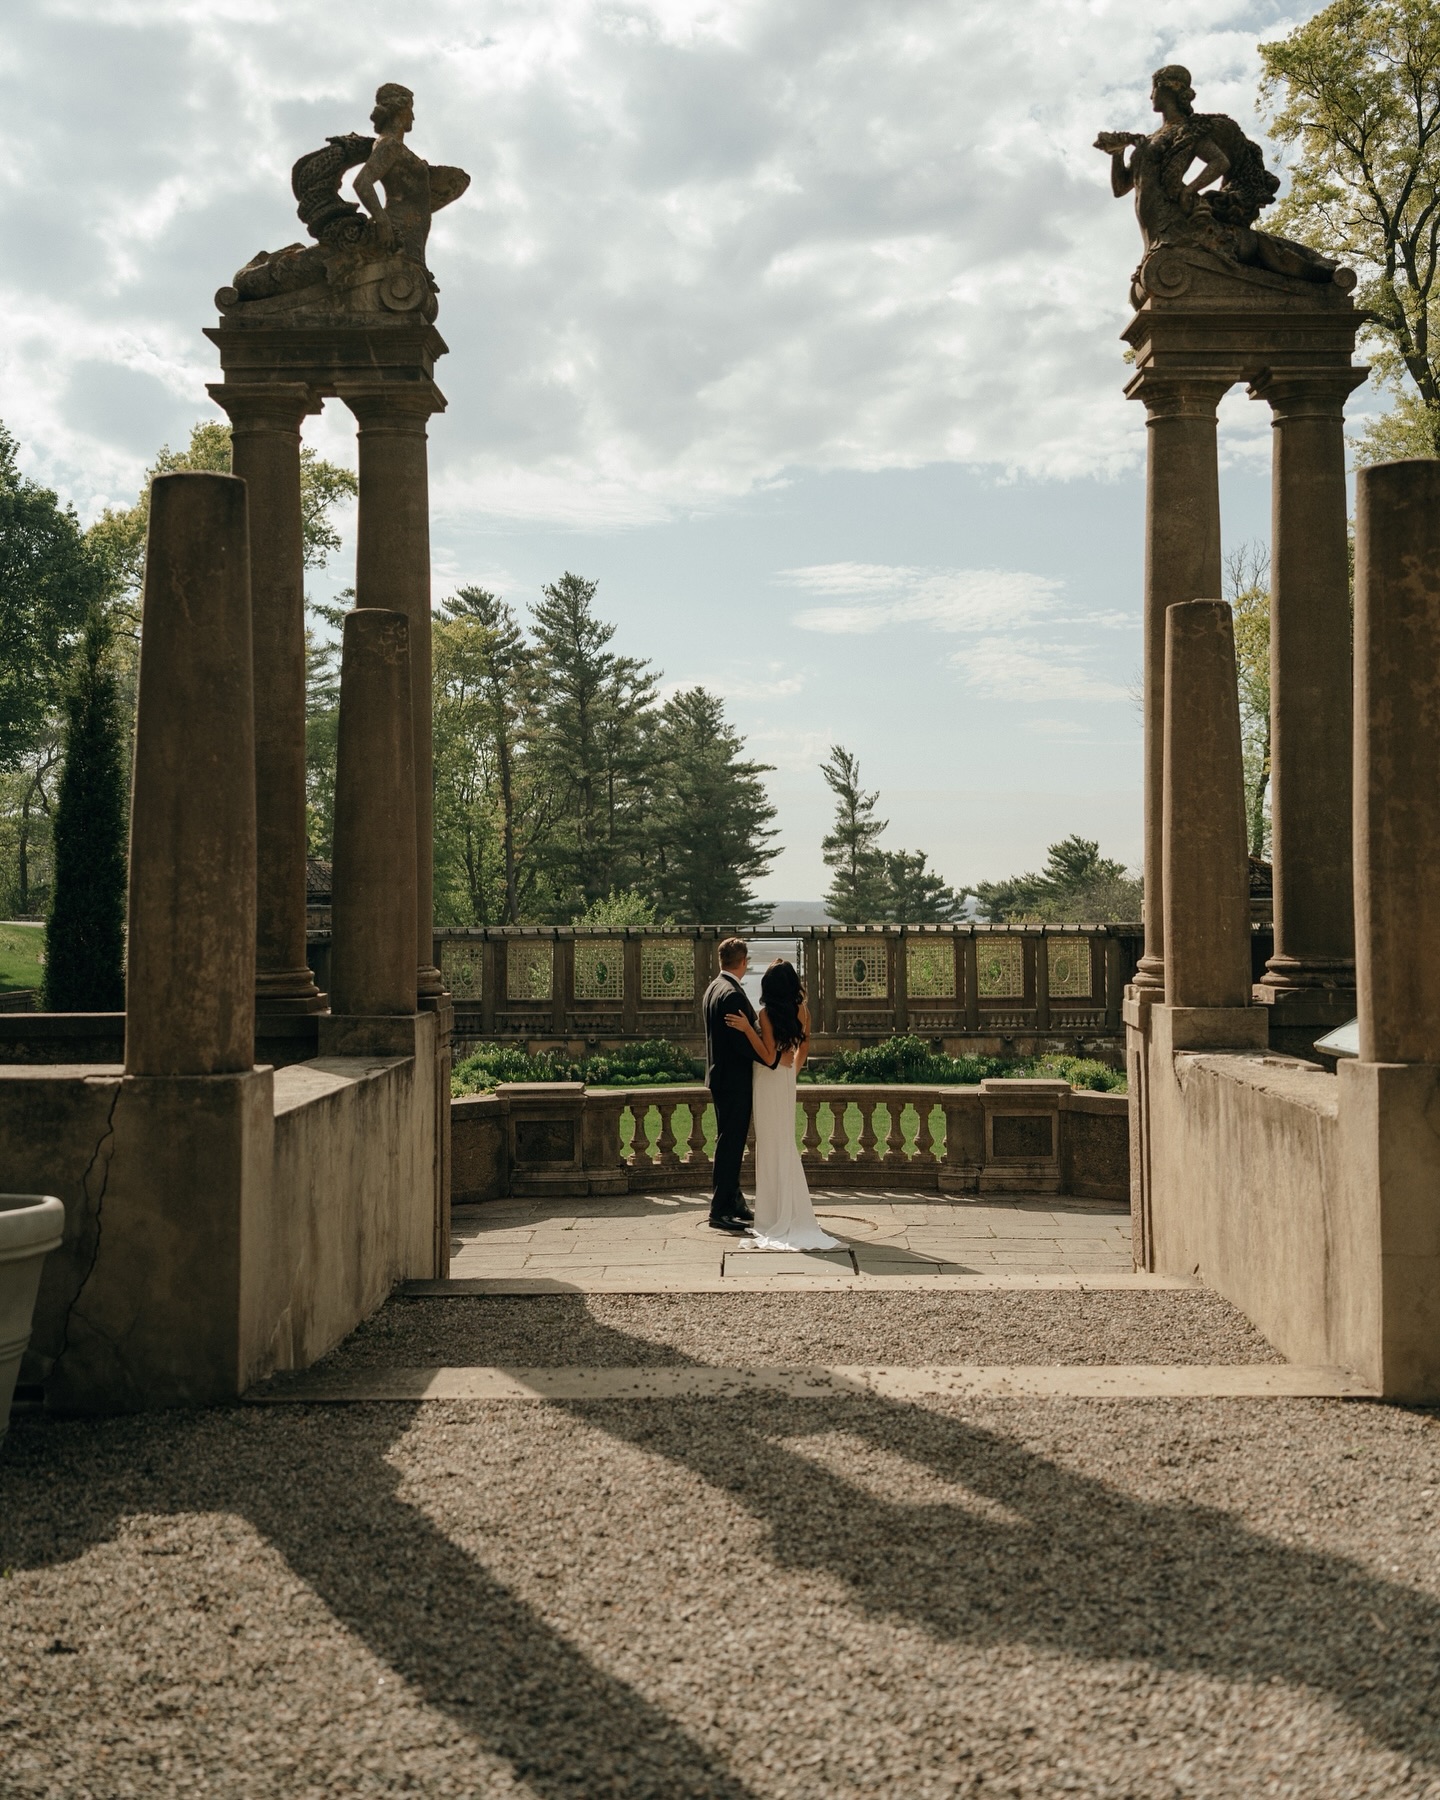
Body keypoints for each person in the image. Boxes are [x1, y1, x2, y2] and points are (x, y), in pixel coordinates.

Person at [725, 960, 842, 1252]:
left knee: (769, 1143)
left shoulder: (765, 1015)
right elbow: (805, 1045)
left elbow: (766, 1055)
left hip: (767, 1080)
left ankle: (773, 1215)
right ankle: (789, 1210)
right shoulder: (802, 1010)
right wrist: (795, 1071)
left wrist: (746, 1029)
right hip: (786, 1081)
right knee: (783, 1142)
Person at [701, 937, 762, 1233]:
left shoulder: (714, 988)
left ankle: (734, 1200)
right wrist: (769, 1055)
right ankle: (719, 1209)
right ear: (743, 962)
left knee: (728, 1141)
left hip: (719, 1077)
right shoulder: (733, 994)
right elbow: (741, 1044)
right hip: (734, 1080)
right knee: (730, 1144)